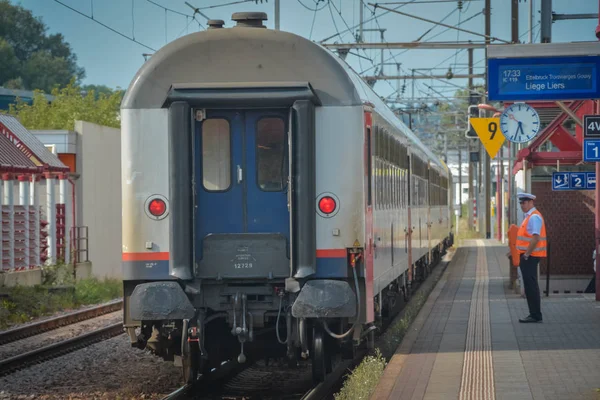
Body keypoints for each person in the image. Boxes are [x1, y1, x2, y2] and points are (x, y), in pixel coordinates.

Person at [515, 192, 547, 323]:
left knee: (531, 286)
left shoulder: (534, 217)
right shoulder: (530, 216)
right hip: (528, 256)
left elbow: (535, 237)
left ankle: (535, 314)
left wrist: (527, 254)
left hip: (530, 256)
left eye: (524, 202)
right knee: (529, 285)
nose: (522, 205)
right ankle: (534, 313)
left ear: (531, 202)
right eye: (521, 203)